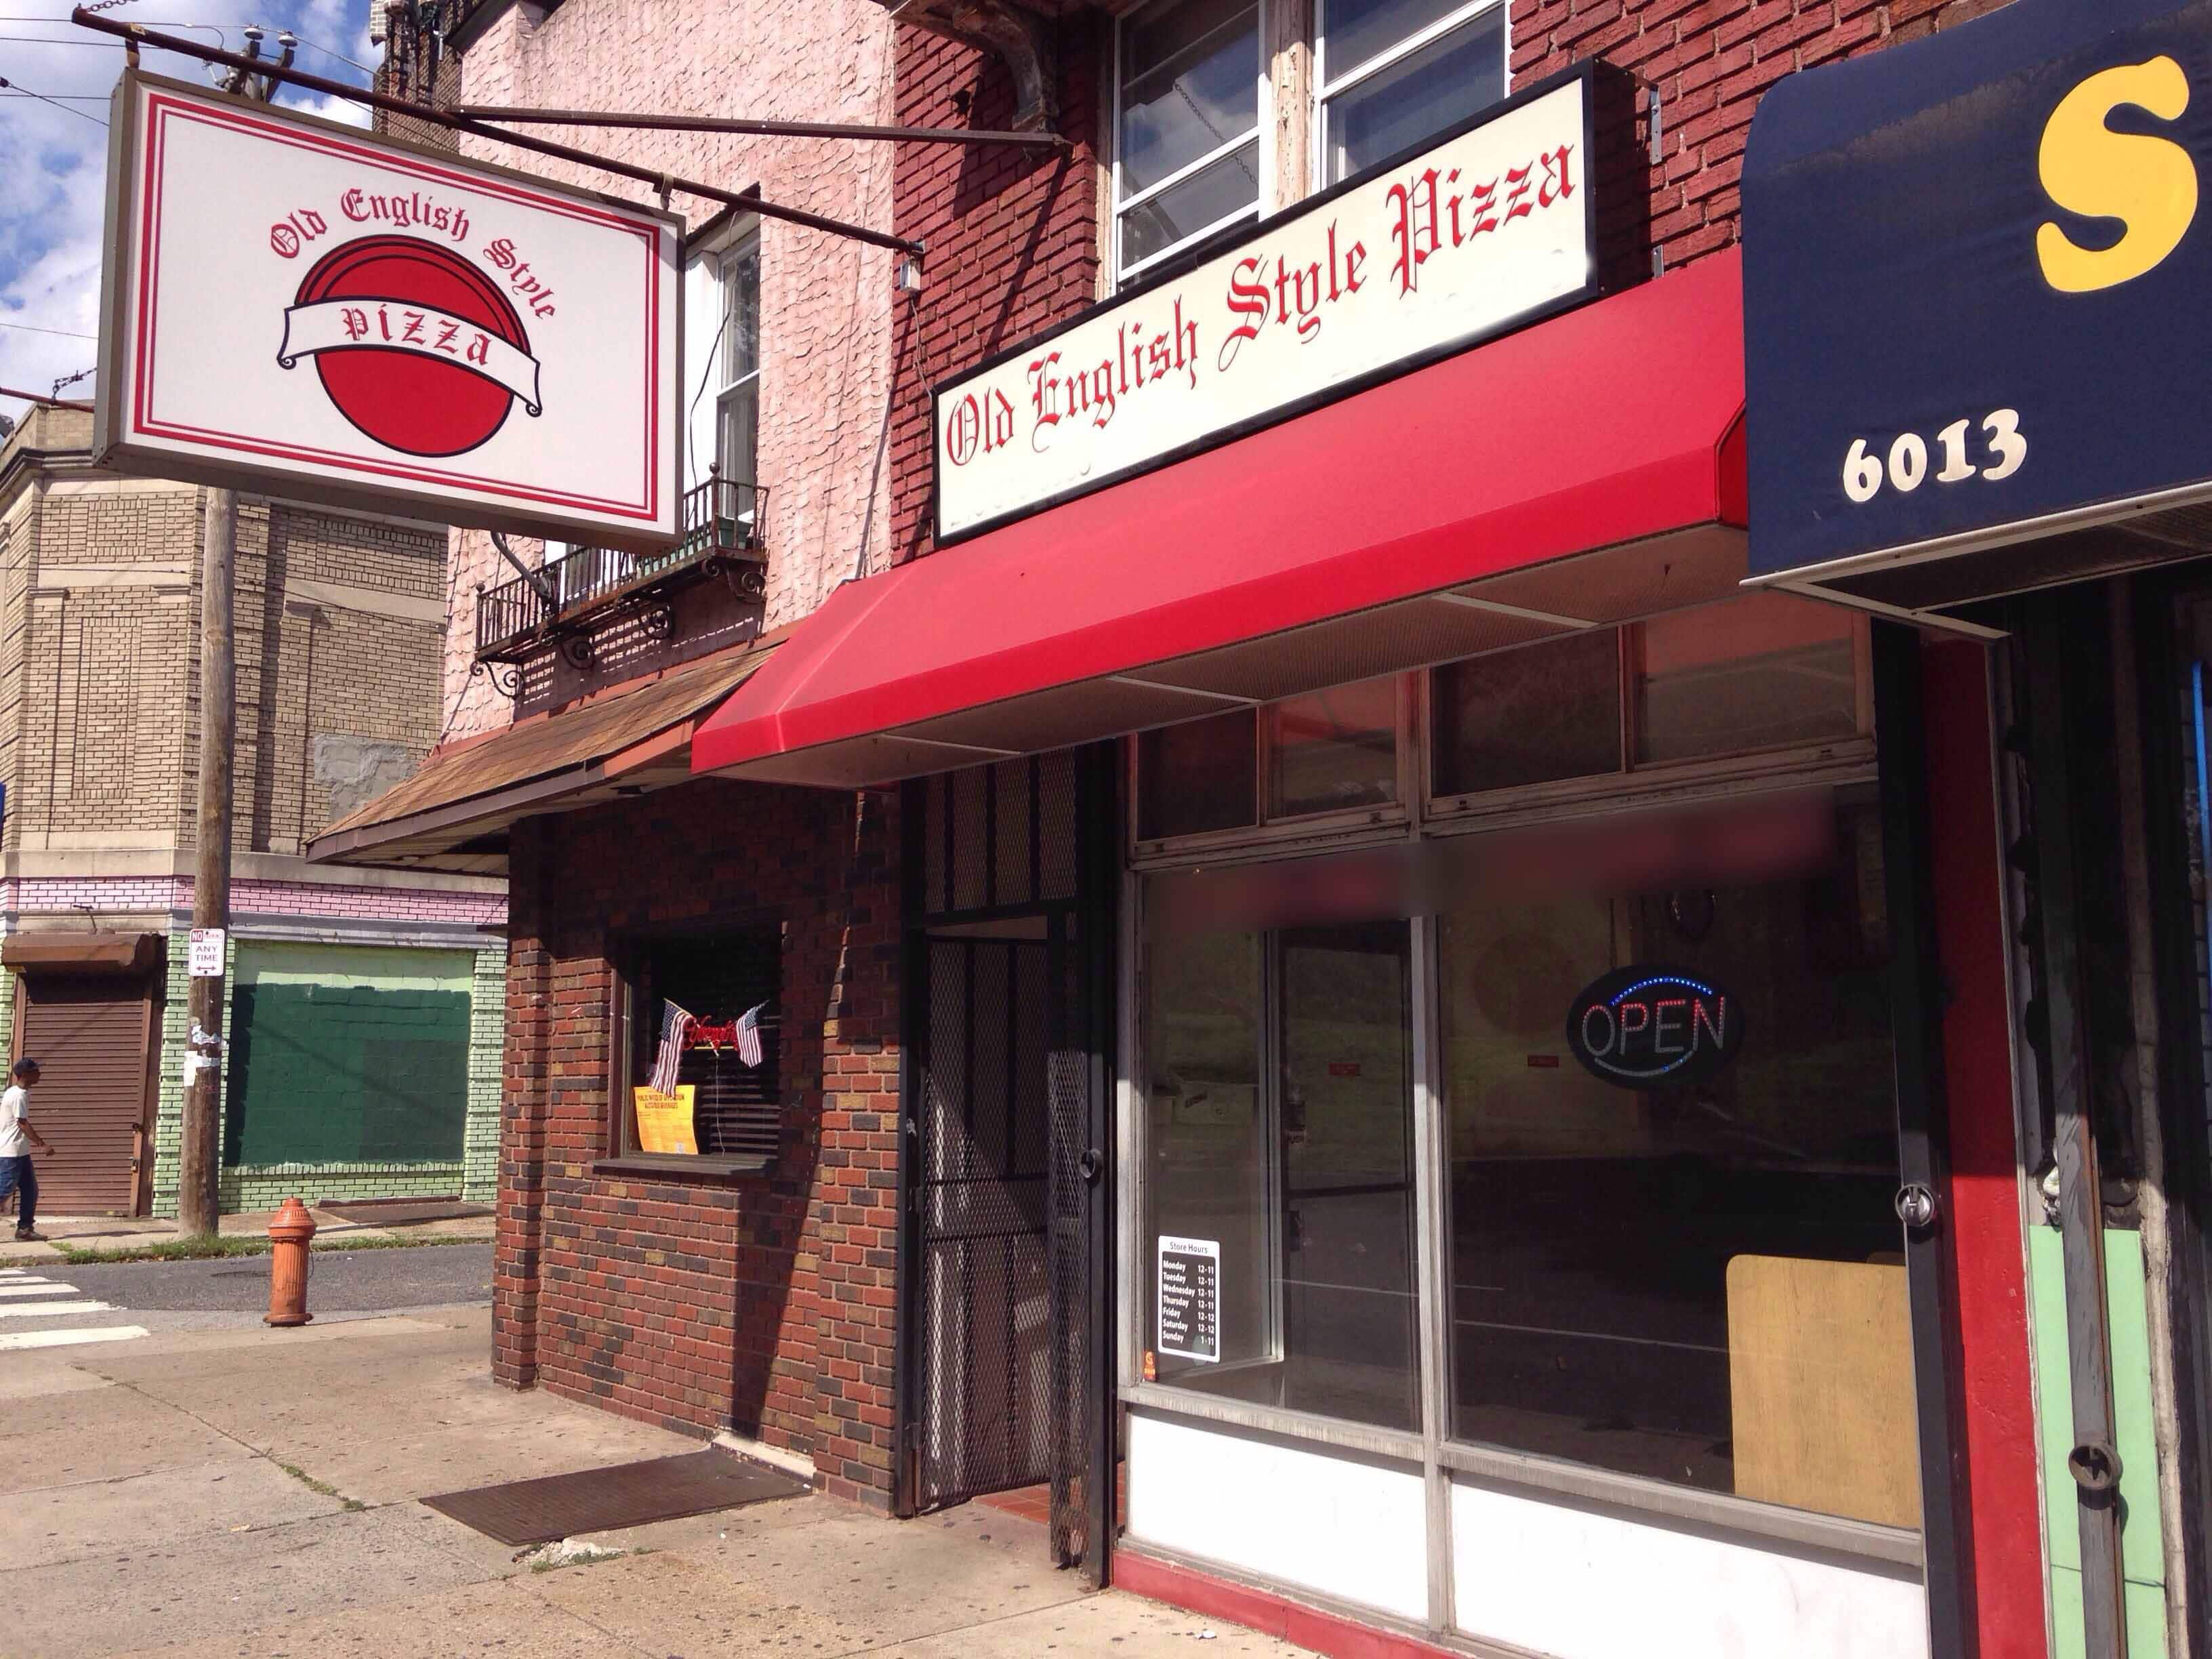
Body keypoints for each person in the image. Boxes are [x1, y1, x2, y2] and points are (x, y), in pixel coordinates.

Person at [0, 1059, 53, 1242]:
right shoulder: (18, 1095)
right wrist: (42, 1144)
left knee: (30, 1190)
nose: (39, 1074)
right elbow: (22, 1123)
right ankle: (25, 1229)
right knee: (3, 1192)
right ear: (25, 1075)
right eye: (35, 1071)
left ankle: (25, 1229)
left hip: (21, 1153)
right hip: (10, 1153)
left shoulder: (19, 1092)